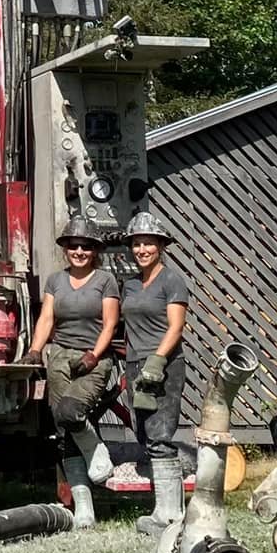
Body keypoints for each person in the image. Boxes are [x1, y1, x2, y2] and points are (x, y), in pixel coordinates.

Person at [25, 218, 120, 528]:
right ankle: (84, 509)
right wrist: (35, 350)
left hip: (93, 356)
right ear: (66, 249)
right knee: (63, 432)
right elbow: (47, 318)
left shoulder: (105, 280)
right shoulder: (55, 281)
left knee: (71, 410)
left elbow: (109, 323)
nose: (79, 251)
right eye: (73, 246)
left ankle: (97, 451)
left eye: (86, 246)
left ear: (95, 251)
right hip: (61, 356)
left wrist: (94, 354)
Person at [121, 209, 190, 536]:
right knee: (145, 434)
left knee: (161, 434)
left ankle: (171, 516)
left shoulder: (171, 279)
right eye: (136, 243)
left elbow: (176, 327)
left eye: (148, 243)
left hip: (164, 365)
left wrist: (157, 361)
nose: (141, 249)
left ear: (160, 245)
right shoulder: (130, 284)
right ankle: (162, 510)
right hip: (135, 364)